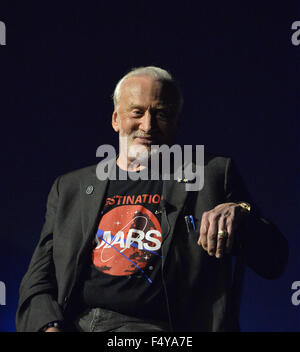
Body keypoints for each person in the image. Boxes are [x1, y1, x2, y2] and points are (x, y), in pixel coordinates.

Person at [16, 66, 288, 332]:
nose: (148, 125)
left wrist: (242, 216)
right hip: (77, 323)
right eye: (137, 112)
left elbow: (273, 261)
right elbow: (38, 279)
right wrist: (47, 327)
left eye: (161, 114)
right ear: (115, 119)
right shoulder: (70, 188)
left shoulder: (212, 176)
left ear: (176, 123)